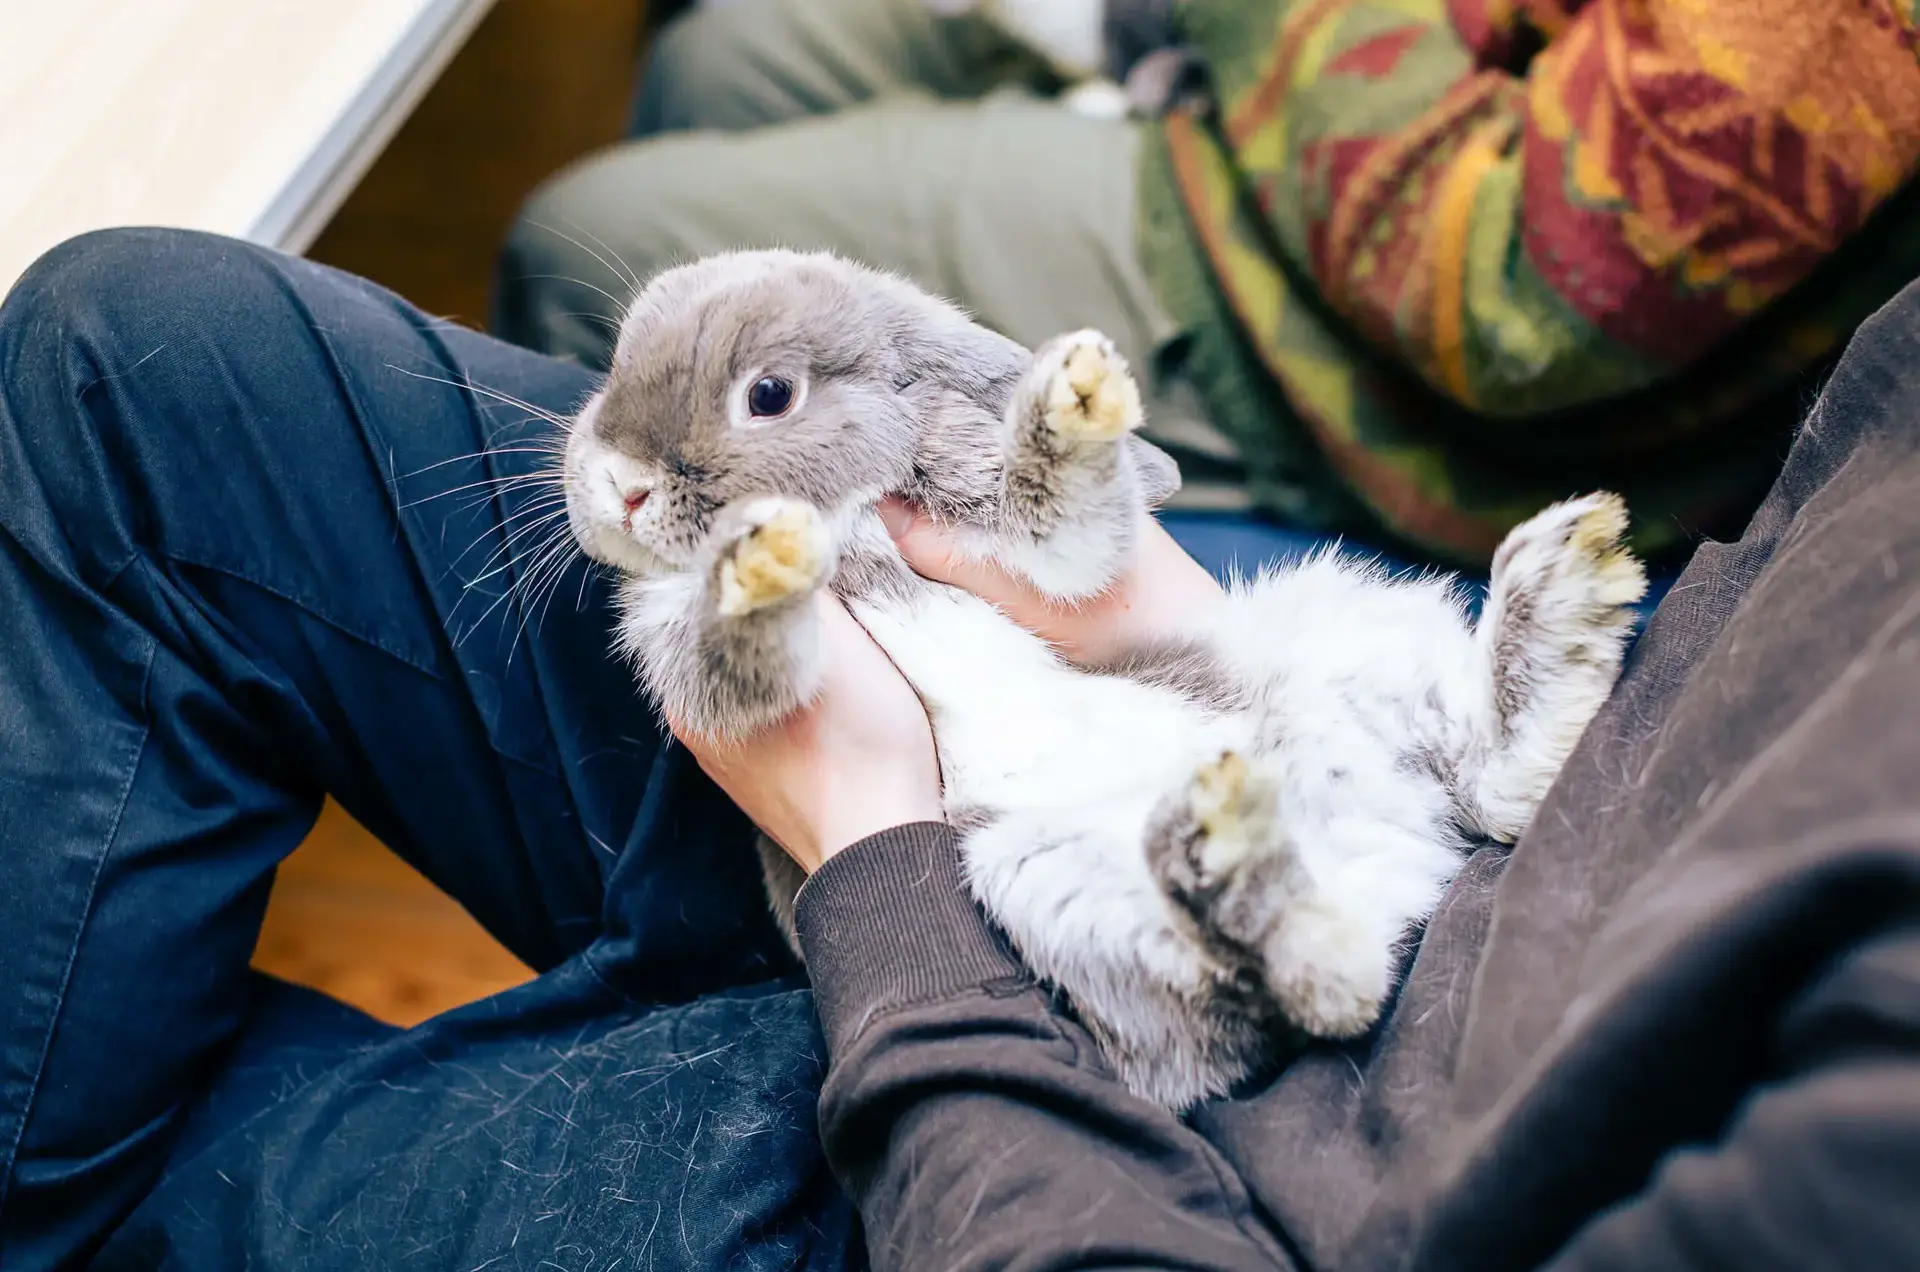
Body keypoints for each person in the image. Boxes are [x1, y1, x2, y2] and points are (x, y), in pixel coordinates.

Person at [1, 222, 1917, 1269]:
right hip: (1321, 757)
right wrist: (1164, 626)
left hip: (1114, 1135)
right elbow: (1703, 700)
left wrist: (874, 867)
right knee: (123, 362)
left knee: (130, 1197)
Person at [497, 0, 1920, 570]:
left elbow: (1530, 303)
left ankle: (696, 855)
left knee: (582, 244)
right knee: (726, 56)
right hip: (1336, 96)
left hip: (1361, 330)